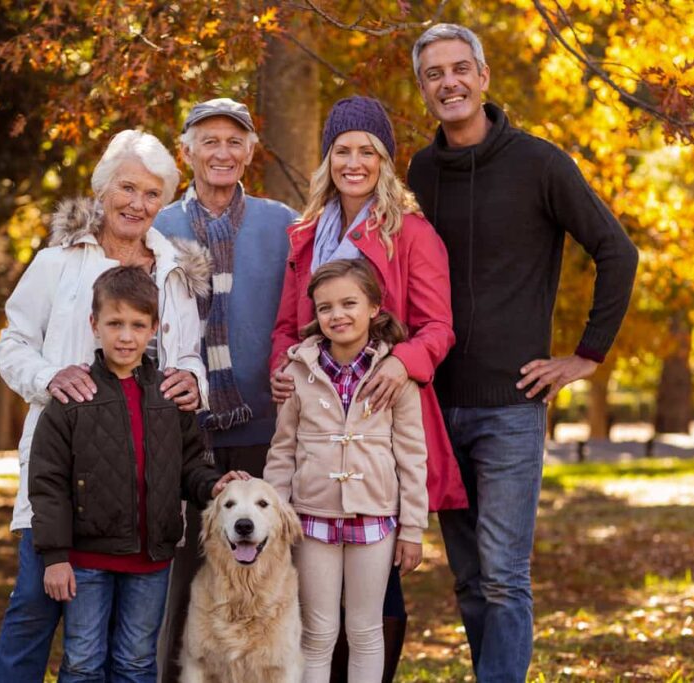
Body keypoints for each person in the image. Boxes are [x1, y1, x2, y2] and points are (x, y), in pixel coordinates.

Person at [408, 23, 639, 682]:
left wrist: (585, 356)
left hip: (513, 407)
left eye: (459, 69)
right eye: (434, 74)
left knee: (505, 577)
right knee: (470, 581)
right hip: (438, 405)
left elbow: (617, 252)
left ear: (482, 77)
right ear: (424, 89)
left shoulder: (541, 163)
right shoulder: (422, 171)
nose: (448, 82)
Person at [0, 129, 211, 682]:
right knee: (34, 611)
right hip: (65, 470)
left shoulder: (173, 270)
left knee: (129, 647)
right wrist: (48, 377)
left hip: (140, 480)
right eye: (127, 188)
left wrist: (194, 382)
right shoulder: (58, 262)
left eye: (152, 194)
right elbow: (10, 341)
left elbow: (186, 354)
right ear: (103, 190)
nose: (138, 203)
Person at [269, 94, 468, 681]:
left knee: (376, 607)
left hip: (382, 405)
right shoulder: (305, 234)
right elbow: (287, 323)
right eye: (341, 151)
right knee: (316, 614)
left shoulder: (411, 233)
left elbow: (439, 327)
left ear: (385, 159)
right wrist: (284, 367)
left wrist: (402, 362)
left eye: (367, 151)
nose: (353, 163)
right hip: (316, 411)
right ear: (327, 158)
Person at [30, 266, 247, 682]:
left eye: (137, 325)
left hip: (151, 560)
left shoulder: (169, 396)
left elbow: (189, 467)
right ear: (95, 325)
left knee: (135, 662)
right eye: (115, 323)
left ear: (153, 330)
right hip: (87, 560)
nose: (125, 336)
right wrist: (55, 558)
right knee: (82, 662)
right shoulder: (73, 400)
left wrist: (214, 485)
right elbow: (48, 483)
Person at [152, 97, 299, 680]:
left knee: (266, 573)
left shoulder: (281, 222)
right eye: (208, 140)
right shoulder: (161, 226)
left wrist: (295, 360)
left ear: (250, 152)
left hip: (265, 428)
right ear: (185, 150)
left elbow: (305, 311)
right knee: (179, 581)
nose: (222, 151)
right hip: (184, 434)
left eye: (234, 140)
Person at [264, 258, 428, 682]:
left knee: (365, 629)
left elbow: (412, 456)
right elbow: (282, 451)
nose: (337, 315)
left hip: (375, 518)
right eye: (325, 308)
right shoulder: (299, 371)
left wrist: (412, 528)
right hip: (311, 519)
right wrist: (276, 519)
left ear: (374, 307)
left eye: (349, 303)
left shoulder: (397, 376)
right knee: (318, 632)